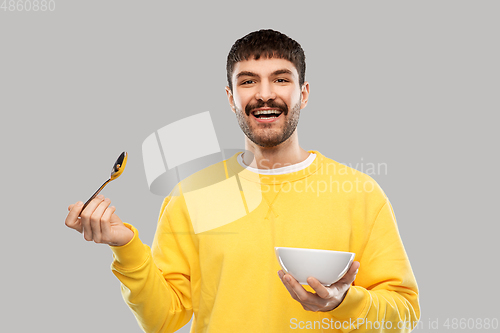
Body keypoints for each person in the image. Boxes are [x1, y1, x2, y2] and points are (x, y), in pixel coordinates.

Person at [65, 29, 420, 332]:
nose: (264, 93)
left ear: (304, 93)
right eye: (248, 81)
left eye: (281, 79)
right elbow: (163, 319)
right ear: (231, 98)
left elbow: (404, 313)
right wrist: (126, 247)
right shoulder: (191, 195)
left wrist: (346, 302)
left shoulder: (360, 194)